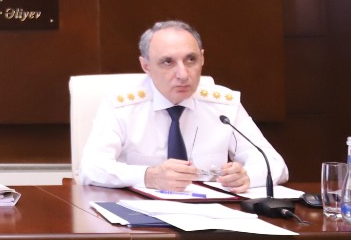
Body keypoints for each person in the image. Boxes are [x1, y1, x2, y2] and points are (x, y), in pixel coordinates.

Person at [79, 20, 288, 193]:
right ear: (146, 66)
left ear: (202, 58)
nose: (183, 74)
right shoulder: (121, 106)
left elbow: (275, 164)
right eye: (167, 62)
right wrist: (149, 176)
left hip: (210, 215)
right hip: (140, 216)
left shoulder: (224, 106)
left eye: (191, 59)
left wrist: (247, 176)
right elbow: (91, 168)